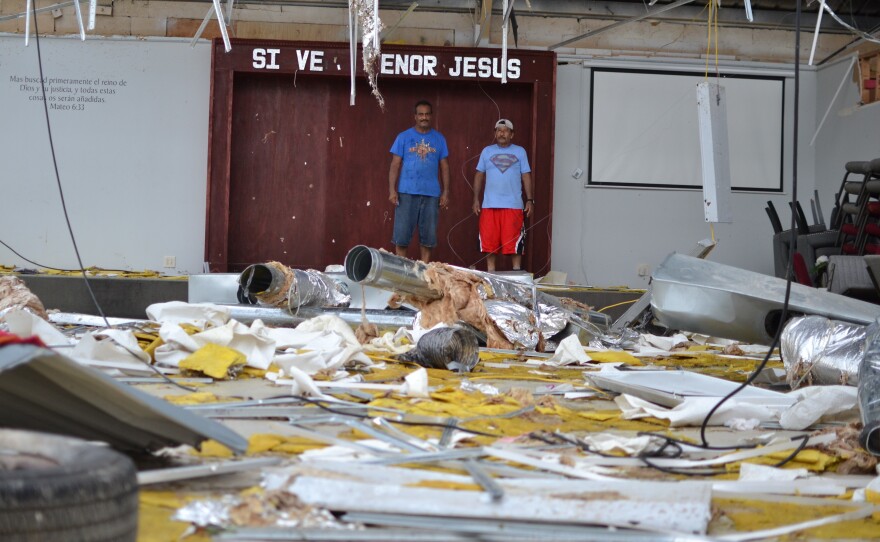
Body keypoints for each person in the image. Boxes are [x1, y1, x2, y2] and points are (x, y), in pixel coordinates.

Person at [388, 100, 450, 263]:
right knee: (401, 237)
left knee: (428, 239)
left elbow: (444, 166)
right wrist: (392, 190)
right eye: (420, 114)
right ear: (415, 116)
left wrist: (445, 192)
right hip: (406, 192)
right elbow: (395, 164)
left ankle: (424, 274)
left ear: (431, 116)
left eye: (427, 114)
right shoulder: (403, 137)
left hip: (431, 194)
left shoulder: (439, 139)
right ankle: (401, 273)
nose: (424, 117)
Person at [472, 119, 533, 272]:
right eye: (499, 130)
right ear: (495, 133)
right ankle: (491, 274)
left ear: (512, 134)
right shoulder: (487, 151)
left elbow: (526, 175)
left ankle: (516, 272)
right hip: (489, 205)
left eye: (505, 130)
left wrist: (530, 200)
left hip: (513, 206)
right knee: (489, 244)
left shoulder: (520, 151)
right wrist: (475, 199)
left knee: (514, 245)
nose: (502, 133)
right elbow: (479, 175)